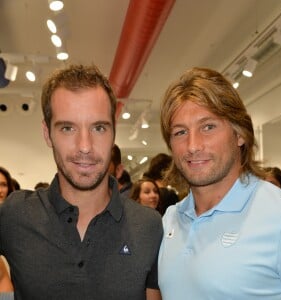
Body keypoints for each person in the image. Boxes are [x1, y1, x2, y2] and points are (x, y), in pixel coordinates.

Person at [0, 64, 163, 300]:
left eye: (98, 128)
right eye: (67, 128)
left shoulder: (148, 226)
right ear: (47, 134)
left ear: (113, 132)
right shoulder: (16, 215)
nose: (85, 146)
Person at [158, 67, 281, 299]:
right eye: (180, 132)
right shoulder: (171, 219)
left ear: (240, 134)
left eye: (208, 127)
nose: (193, 145)